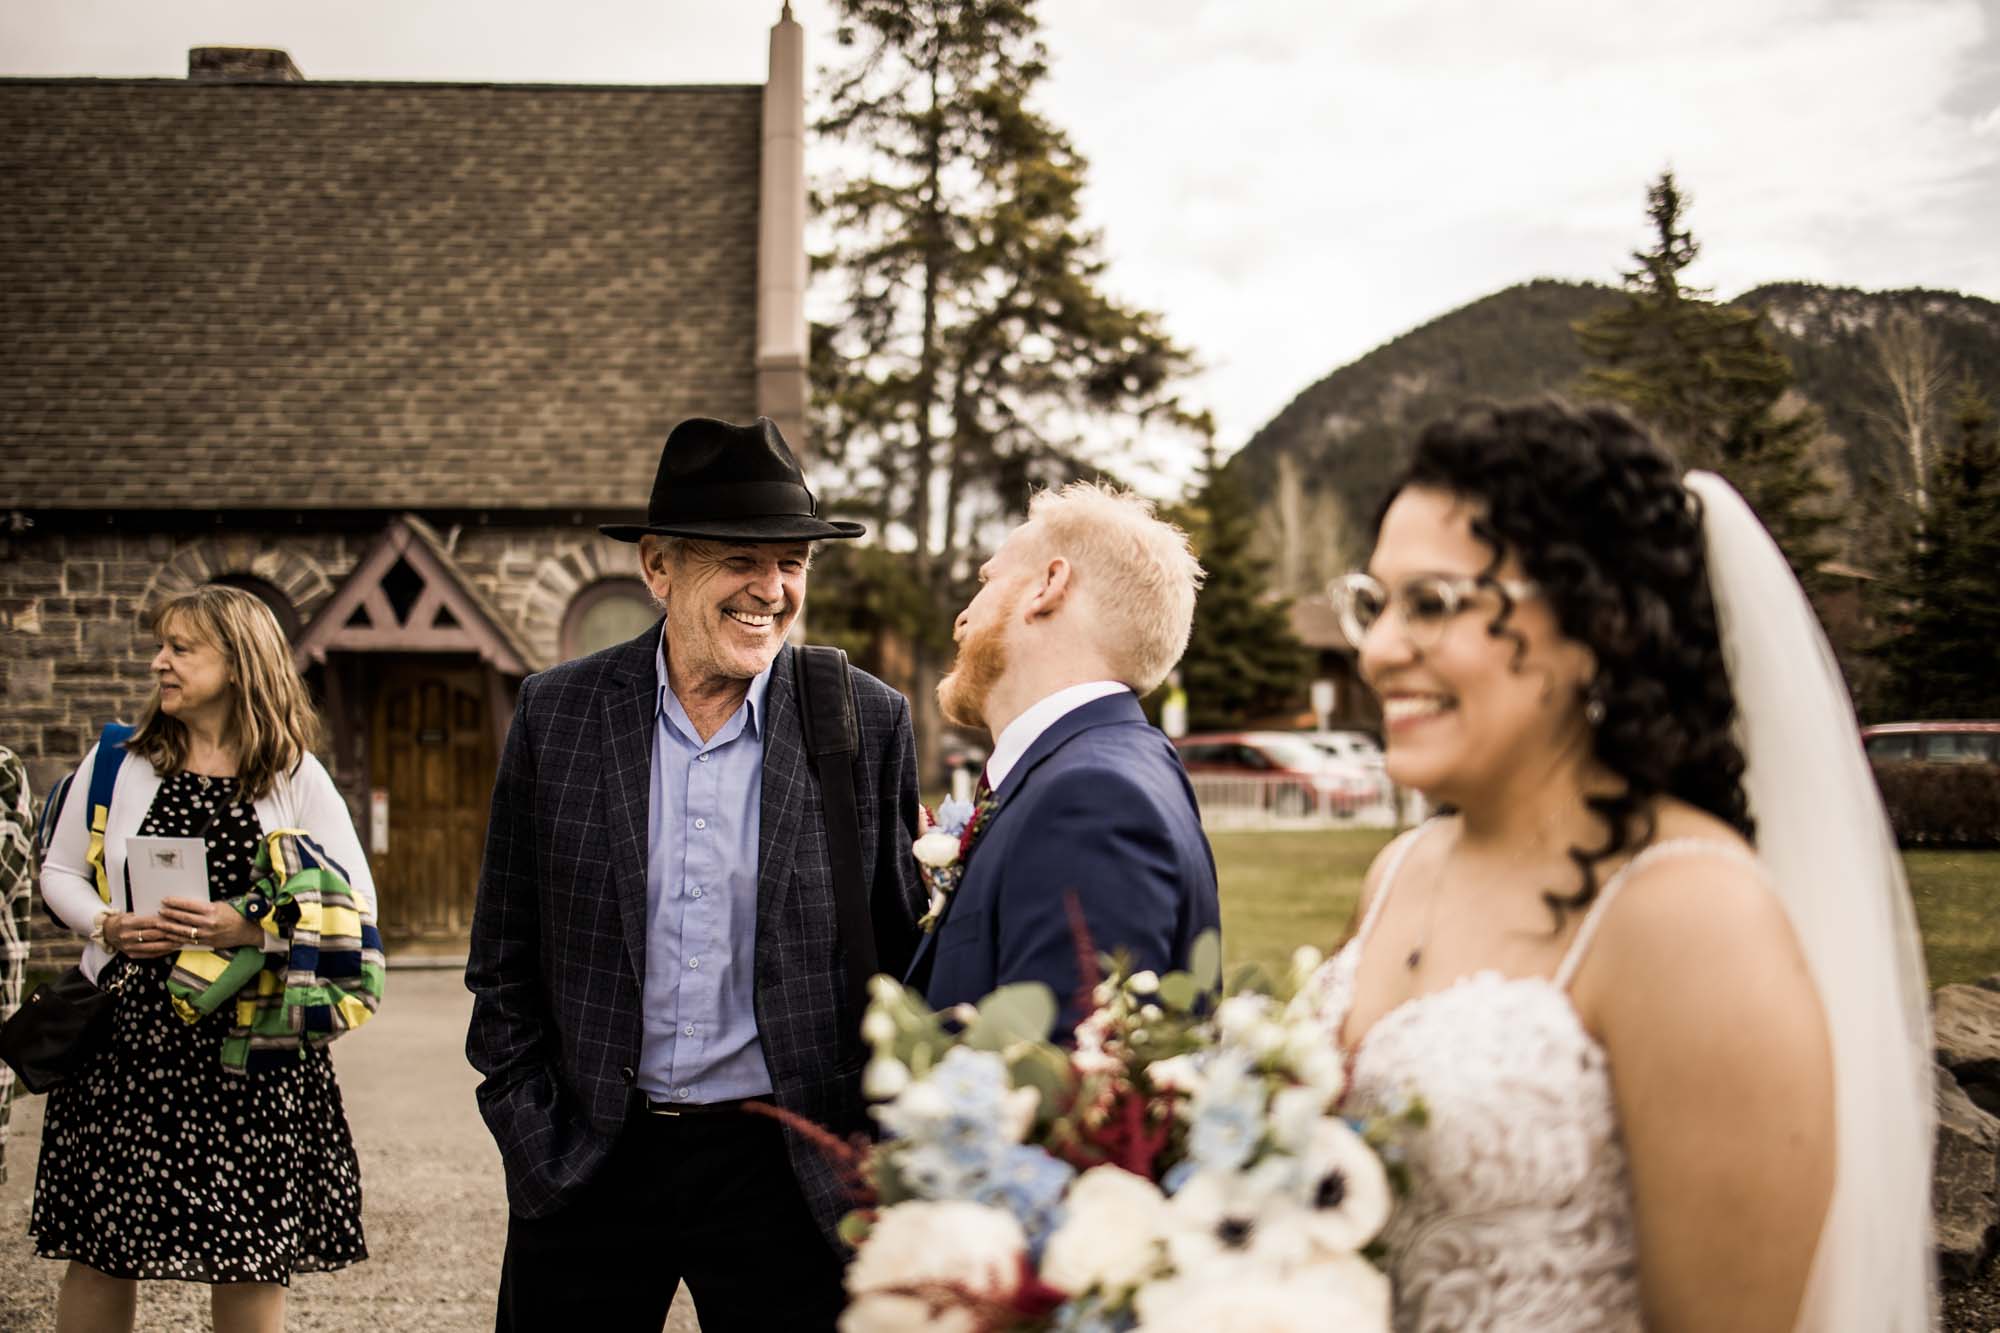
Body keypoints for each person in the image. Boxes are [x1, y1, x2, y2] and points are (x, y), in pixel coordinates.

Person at [1312, 398, 1933, 1332]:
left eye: (1432, 603)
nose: (1382, 649)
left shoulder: (1690, 911)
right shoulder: (1399, 868)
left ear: (1591, 621)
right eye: (1376, 601)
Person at [465, 415, 925, 1332]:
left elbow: (903, 968)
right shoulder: (557, 715)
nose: (772, 588)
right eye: (739, 560)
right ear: (658, 568)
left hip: (785, 1167)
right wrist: (537, 1139)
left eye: (791, 561)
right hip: (592, 1150)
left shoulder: (864, 723)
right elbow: (502, 957)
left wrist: (867, 1155)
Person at [34, 584, 373, 1333]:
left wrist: (248, 930)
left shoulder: (294, 774)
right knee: (100, 1246)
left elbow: (356, 908)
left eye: (181, 648)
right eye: (162, 645)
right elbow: (58, 873)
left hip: (250, 1048)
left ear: (240, 663)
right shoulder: (116, 761)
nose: (159, 662)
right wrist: (108, 925)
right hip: (126, 1047)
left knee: (249, 1253)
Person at [905, 481, 1221, 1035]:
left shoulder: (1091, 800)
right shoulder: (1104, 767)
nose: (961, 619)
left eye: (986, 581)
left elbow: (1064, 1094)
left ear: (1048, 586)